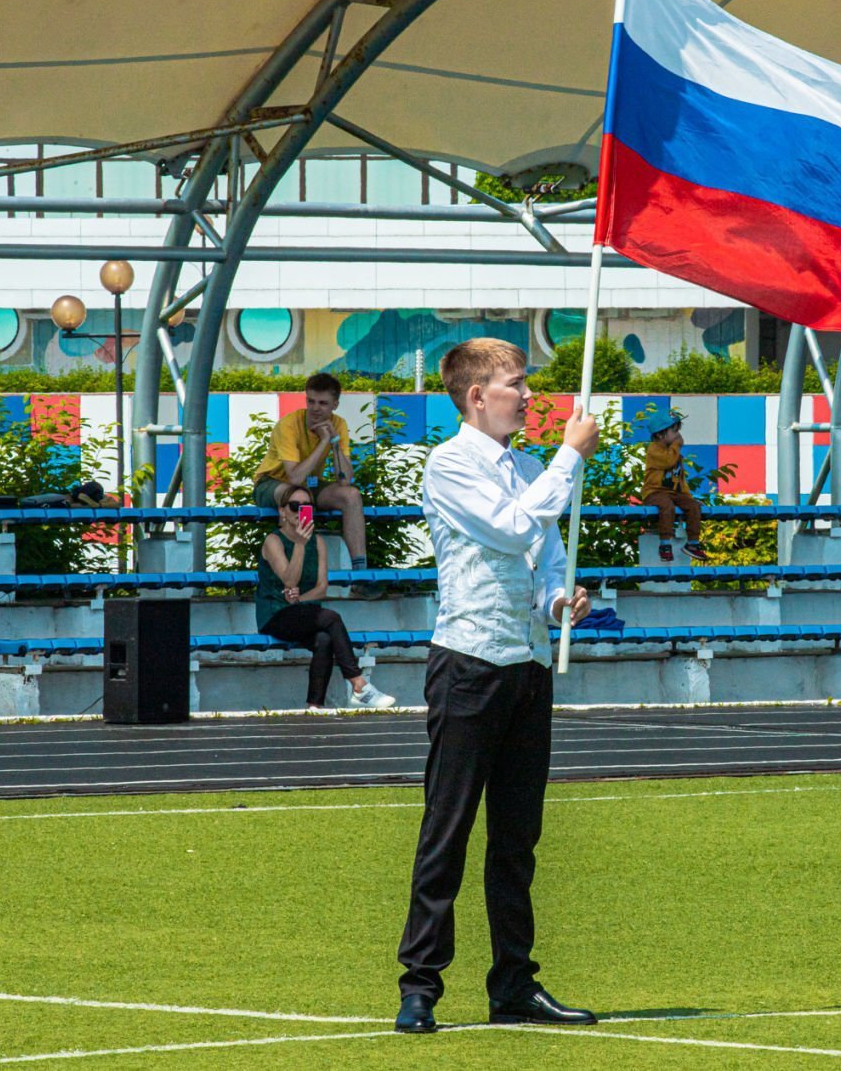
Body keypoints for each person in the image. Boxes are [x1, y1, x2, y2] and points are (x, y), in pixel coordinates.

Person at [394, 337, 599, 1035]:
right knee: (447, 828)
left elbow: (547, 562)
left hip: (527, 665)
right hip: (469, 663)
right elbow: (513, 529)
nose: (529, 395)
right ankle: (420, 985)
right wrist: (571, 457)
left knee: (517, 838)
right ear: (477, 395)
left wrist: (558, 601)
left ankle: (514, 983)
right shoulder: (450, 463)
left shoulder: (531, 467)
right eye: (517, 383)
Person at [253, 485, 393, 710]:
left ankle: (314, 706)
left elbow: (321, 589)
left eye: (306, 506)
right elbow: (289, 580)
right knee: (331, 618)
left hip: (305, 612)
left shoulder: (317, 542)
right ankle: (358, 684)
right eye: (295, 506)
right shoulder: (273, 541)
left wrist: (299, 599)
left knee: (324, 639)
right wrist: (299, 544)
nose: (300, 511)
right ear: (282, 511)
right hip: (275, 613)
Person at [251, 373, 369, 571]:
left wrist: (334, 442)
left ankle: (359, 573)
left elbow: (345, 480)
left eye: (323, 403)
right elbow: (295, 477)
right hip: (270, 483)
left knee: (351, 495)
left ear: (335, 405)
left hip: (307, 485)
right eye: (311, 401)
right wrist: (323, 441)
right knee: (298, 497)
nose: (315, 408)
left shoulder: (339, 424)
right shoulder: (288, 425)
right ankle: (301, 571)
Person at [641, 415, 705, 562]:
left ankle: (693, 543)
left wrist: (689, 498)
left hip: (674, 493)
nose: (678, 436)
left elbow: (680, 479)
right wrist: (677, 445)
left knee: (693, 507)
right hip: (655, 492)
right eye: (674, 431)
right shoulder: (654, 449)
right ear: (660, 434)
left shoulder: (674, 453)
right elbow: (668, 461)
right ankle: (665, 543)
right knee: (666, 506)